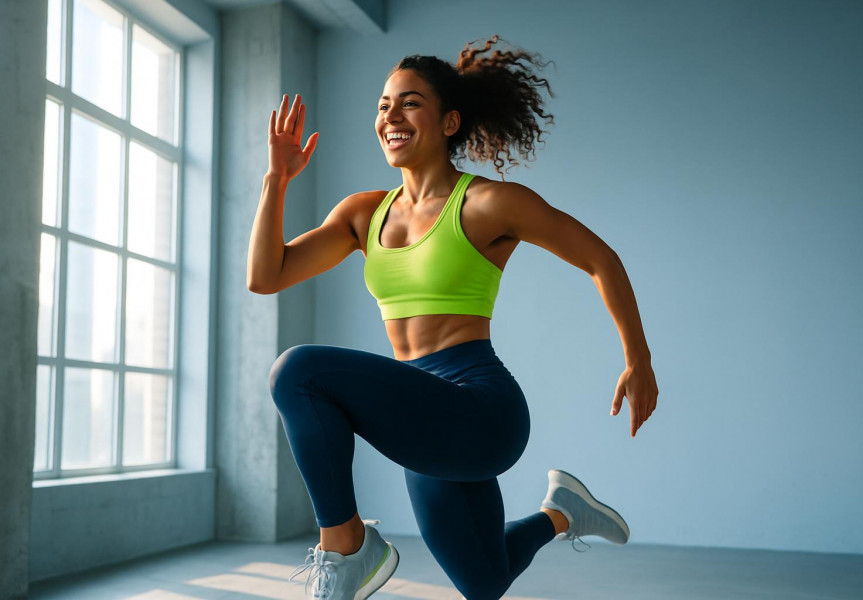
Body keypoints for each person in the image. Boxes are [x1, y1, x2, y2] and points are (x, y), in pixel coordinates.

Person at [248, 35, 658, 600]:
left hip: (479, 410)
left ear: (449, 122)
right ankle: (563, 512)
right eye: (384, 104)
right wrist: (277, 180)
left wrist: (639, 360)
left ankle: (345, 549)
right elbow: (266, 277)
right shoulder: (363, 214)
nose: (391, 114)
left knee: (297, 370)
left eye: (410, 102)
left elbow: (600, 259)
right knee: (484, 580)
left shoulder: (489, 203)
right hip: (420, 413)